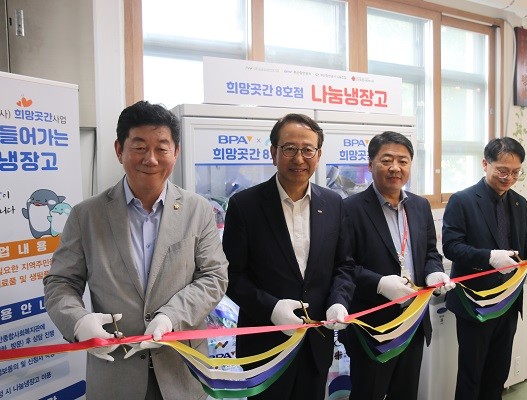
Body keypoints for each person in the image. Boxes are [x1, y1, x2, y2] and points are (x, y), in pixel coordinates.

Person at [43, 101, 229, 400]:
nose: (151, 159)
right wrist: (78, 321)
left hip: (182, 370)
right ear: (120, 150)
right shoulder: (86, 215)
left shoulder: (197, 210)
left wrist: (171, 317)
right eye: (139, 147)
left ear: (176, 152)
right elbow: (60, 282)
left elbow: (214, 276)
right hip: (115, 374)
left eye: (162, 148)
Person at [222, 113, 356, 400]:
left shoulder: (333, 203)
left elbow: (344, 265)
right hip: (264, 347)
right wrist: (270, 308)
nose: (299, 158)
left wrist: (338, 301)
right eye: (290, 148)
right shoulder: (245, 205)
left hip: (315, 343)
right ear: (273, 153)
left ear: (318, 155)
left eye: (308, 149)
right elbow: (231, 276)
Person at [442, 137, 527, 400]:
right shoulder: (462, 201)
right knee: (471, 374)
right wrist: (489, 257)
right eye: (502, 171)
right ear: (485, 164)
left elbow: (524, 247)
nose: (509, 178)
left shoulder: (518, 202)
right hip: (475, 303)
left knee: (498, 373)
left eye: (516, 172)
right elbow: (451, 247)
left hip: (508, 301)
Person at [341, 131, 454, 400]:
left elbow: (430, 252)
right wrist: (379, 284)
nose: (395, 167)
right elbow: (343, 265)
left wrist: (434, 272)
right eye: (386, 160)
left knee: (406, 393)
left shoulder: (419, 206)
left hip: (413, 322)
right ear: (371, 164)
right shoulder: (349, 208)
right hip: (371, 328)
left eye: (403, 161)